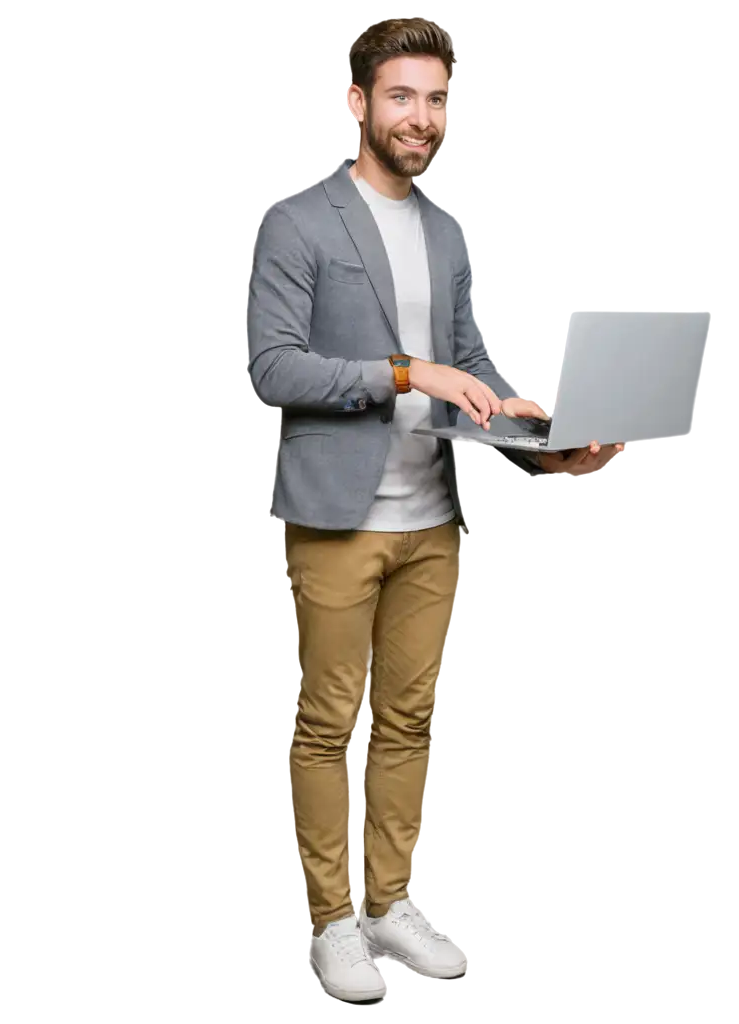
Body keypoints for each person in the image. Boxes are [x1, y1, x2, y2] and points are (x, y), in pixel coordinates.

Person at [243, 14, 623, 1005]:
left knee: (405, 720)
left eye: (438, 98)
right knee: (330, 723)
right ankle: (333, 921)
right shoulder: (297, 222)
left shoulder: (445, 230)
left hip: (430, 517)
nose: (423, 117)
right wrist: (410, 371)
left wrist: (543, 435)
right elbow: (272, 365)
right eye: (403, 96)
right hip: (338, 516)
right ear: (357, 102)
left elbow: (475, 379)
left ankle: (389, 903)